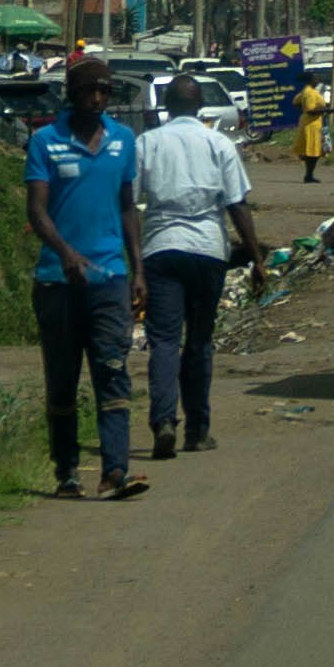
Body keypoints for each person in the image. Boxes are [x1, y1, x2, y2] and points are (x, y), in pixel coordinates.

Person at [25, 50, 146, 500]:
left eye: (104, 91)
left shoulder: (123, 140)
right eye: (89, 91)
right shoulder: (45, 142)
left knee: (113, 373)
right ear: (71, 94)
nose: (97, 98)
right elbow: (36, 211)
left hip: (110, 280)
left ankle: (115, 471)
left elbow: (127, 206)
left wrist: (139, 271)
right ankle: (67, 472)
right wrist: (66, 253)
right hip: (57, 283)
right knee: (61, 380)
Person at [132, 76, 256, 457]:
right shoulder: (218, 143)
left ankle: (164, 420)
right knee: (200, 342)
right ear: (200, 105)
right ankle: (198, 430)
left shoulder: (147, 143)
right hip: (207, 252)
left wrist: (133, 264)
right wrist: (256, 255)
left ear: (166, 105)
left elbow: (129, 206)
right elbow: (237, 204)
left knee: (165, 341)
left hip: (162, 250)